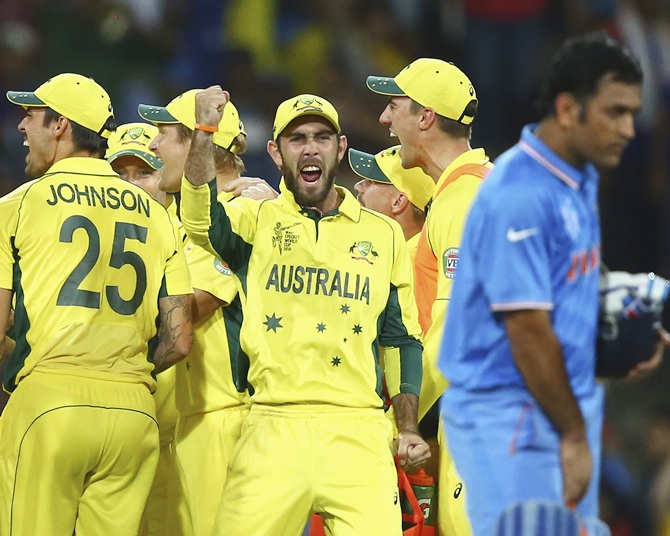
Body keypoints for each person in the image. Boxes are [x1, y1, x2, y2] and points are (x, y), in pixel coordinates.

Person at [437, 33, 665, 535]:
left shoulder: (575, 175)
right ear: (568, 109)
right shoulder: (521, 194)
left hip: (552, 412)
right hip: (513, 420)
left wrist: (628, 322)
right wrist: (574, 435)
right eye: (615, 112)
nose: (630, 129)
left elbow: (571, 272)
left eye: (632, 113)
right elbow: (527, 330)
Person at [180, 89, 430, 536]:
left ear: (341, 148)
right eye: (297, 139)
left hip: (359, 430)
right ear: (275, 153)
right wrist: (203, 132)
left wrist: (407, 427)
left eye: (321, 137)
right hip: (272, 425)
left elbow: (400, 338)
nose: (310, 147)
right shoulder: (254, 222)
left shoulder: (383, 234)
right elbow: (199, 216)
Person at [0, 73, 193, 536]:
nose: (22, 128)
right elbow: (180, 338)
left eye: (31, 117)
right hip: (134, 414)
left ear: (61, 125)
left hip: (50, 404)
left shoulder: (19, 204)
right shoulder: (155, 212)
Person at [367, 57, 492, 535]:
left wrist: (399, 420)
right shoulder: (477, 189)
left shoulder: (463, 201)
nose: (384, 119)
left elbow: (456, 329)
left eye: (394, 105)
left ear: (425, 117)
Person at [138, 89, 272, 536]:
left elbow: (192, 306)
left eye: (164, 136)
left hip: (225, 414)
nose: (153, 147)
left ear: (200, 146)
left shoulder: (238, 213)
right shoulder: (181, 220)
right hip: (194, 415)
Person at [105, 121, 181, 536]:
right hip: (119, 418)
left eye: (145, 173)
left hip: (178, 431)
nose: (132, 186)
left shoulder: (191, 232)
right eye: (121, 174)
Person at [350, 145, 434, 260]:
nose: (358, 187)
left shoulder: (409, 264)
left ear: (398, 202)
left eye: (370, 181)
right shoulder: (429, 251)